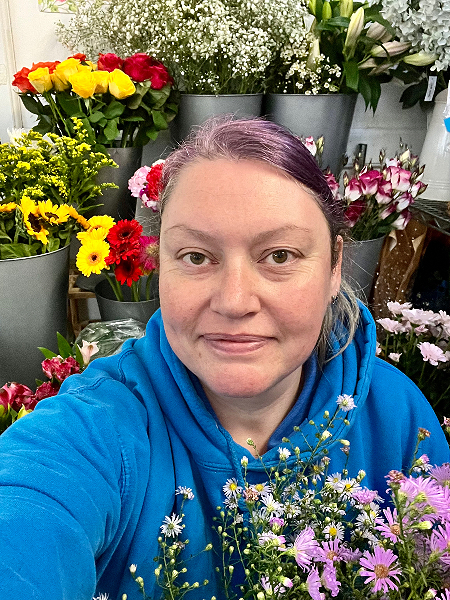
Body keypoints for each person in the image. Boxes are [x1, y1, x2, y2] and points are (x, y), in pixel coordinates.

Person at [0, 117, 448, 600]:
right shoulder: (99, 430)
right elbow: (28, 513)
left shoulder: (397, 416)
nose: (234, 302)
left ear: (335, 265)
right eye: (196, 256)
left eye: (279, 255)